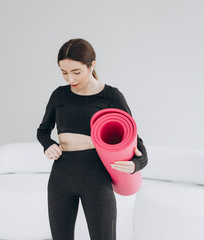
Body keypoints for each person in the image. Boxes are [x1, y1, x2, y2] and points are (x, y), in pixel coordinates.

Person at [36, 38, 148, 240]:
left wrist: (136, 164)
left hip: (96, 177)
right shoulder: (59, 95)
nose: (70, 79)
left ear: (92, 65)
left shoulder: (111, 96)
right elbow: (43, 131)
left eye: (76, 72)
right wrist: (48, 145)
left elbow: (137, 142)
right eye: (64, 72)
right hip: (61, 176)